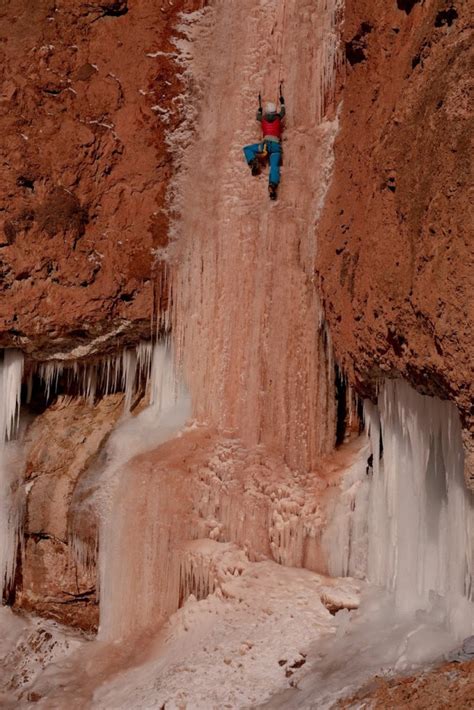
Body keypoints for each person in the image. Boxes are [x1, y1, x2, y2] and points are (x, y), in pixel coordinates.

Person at [243, 88, 285, 200]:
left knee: (247, 149)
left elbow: (257, 116)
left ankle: (253, 161)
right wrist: (282, 102)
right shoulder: (277, 118)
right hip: (275, 147)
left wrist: (260, 110)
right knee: (274, 166)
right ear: (274, 112)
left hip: (265, 146)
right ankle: (272, 185)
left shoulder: (263, 119)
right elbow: (283, 112)